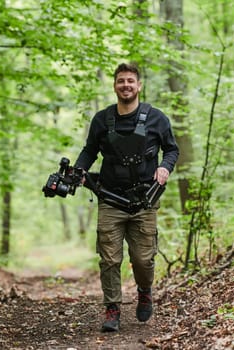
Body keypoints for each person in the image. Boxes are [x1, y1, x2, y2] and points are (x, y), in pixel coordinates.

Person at [74, 63, 179, 332]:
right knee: (109, 258)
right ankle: (112, 309)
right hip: (110, 197)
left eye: (130, 81)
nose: (126, 86)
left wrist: (165, 167)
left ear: (139, 85)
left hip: (145, 199)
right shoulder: (101, 119)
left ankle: (145, 290)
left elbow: (171, 150)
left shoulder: (157, 119)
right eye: (121, 81)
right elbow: (89, 151)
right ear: (114, 85)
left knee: (143, 259)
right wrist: (78, 171)